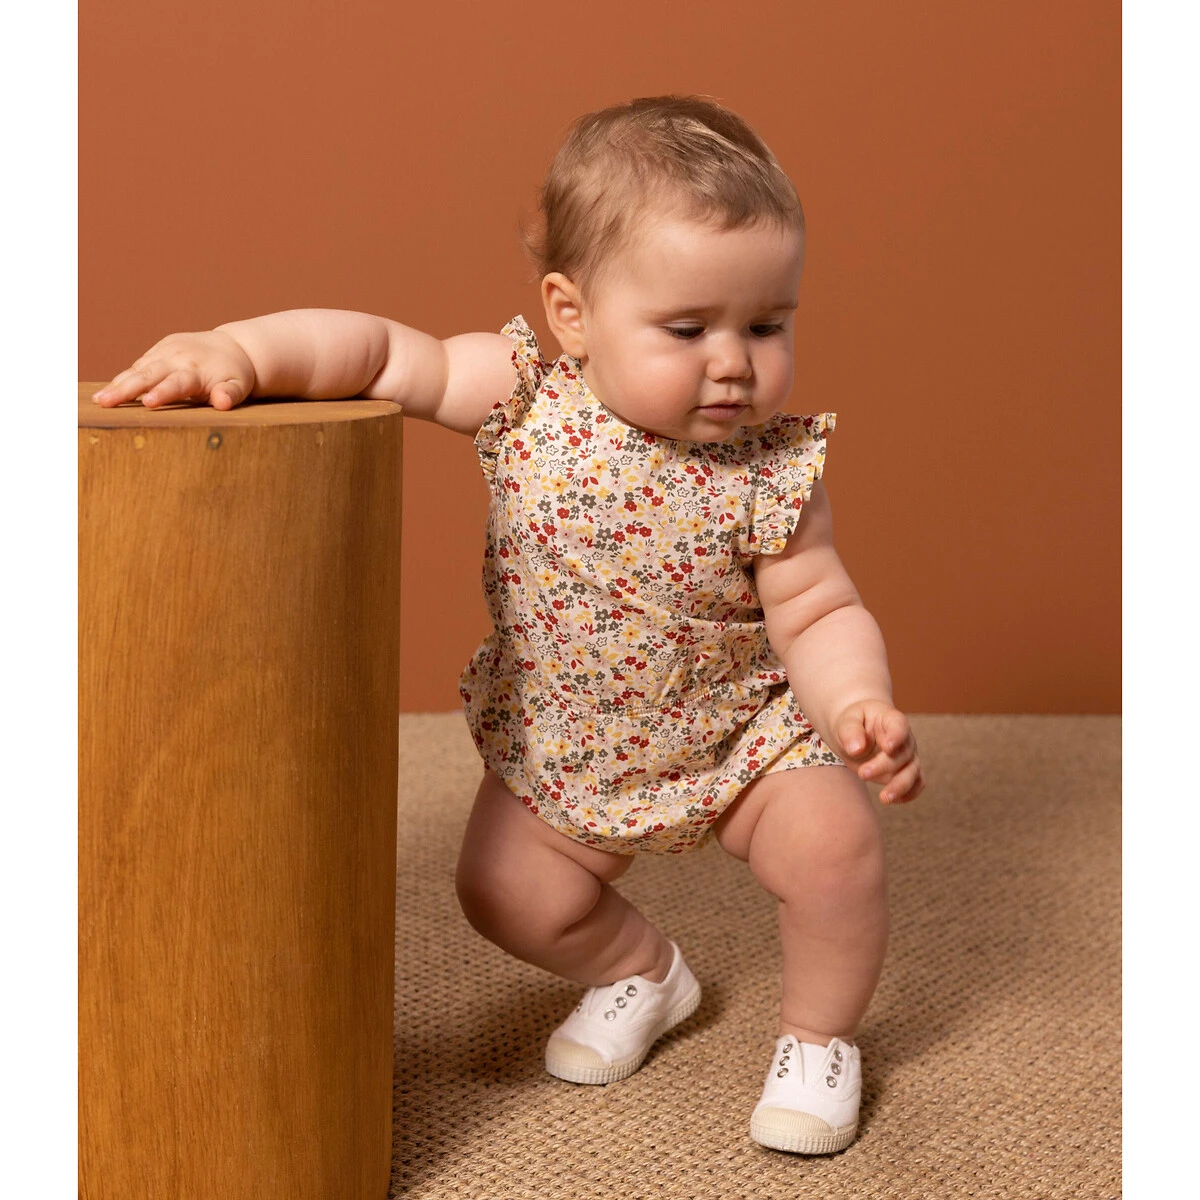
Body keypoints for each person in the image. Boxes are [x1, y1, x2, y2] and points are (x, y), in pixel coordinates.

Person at [93, 94, 924, 1155]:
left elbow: (818, 608)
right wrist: (240, 349)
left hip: (740, 735)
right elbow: (378, 354)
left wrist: (856, 703)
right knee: (503, 893)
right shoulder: (525, 397)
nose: (734, 361)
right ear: (572, 314)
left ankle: (819, 1038)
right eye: (687, 329)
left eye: (766, 325)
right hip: (567, 738)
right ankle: (642, 973)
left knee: (836, 851)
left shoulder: (771, 470)